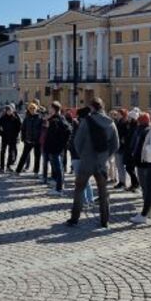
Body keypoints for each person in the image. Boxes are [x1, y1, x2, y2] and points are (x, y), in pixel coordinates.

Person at [67, 98, 119, 229]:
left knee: (79, 189)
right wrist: (106, 156)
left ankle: (74, 219)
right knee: (103, 191)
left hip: (87, 161)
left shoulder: (86, 121)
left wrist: (83, 154)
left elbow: (77, 141)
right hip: (102, 162)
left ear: (92, 108)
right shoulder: (111, 123)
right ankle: (105, 220)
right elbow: (115, 145)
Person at [43, 101, 72, 196]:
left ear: (54, 109)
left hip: (55, 148)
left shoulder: (56, 120)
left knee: (58, 168)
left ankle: (59, 188)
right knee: (57, 168)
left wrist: (61, 144)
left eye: (50, 108)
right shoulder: (57, 118)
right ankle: (59, 185)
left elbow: (67, 131)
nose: (48, 109)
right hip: (55, 147)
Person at [71, 107, 94, 206]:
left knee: (80, 179)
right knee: (86, 179)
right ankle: (90, 199)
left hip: (78, 155)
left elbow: (75, 141)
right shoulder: (90, 125)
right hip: (87, 156)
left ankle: (84, 201)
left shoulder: (77, 124)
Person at [15, 102, 43, 176]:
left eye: (34, 108)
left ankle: (36, 172)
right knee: (24, 156)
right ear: (29, 109)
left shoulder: (40, 118)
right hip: (28, 140)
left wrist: (40, 139)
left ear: (36, 109)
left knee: (37, 157)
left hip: (37, 141)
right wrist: (23, 138)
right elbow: (23, 129)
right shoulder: (27, 118)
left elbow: (42, 129)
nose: (32, 110)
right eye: (31, 108)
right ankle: (18, 170)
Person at [0, 104, 22, 172]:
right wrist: (1, 134)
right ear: (6, 111)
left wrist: (15, 134)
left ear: (12, 110)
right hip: (5, 137)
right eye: (7, 110)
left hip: (12, 138)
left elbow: (19, 127)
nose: (9, 111)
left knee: (11, 152)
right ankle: (2, 167)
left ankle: (8, 166)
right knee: (2, 152)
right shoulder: (3, 117)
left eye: (10, 110)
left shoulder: (15, 118)